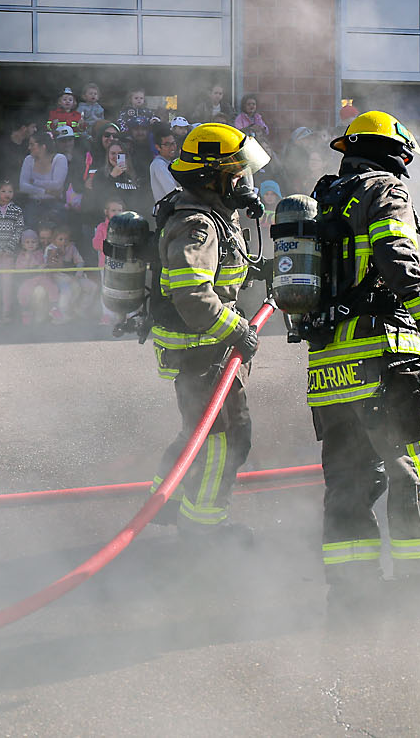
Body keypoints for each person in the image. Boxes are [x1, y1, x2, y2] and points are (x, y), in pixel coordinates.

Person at [304, 111, 420, 601]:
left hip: (328, 365)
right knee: (411, 466)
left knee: (348, 478)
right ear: (398, 155)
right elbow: (397, 257)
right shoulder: (385, 191)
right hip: (383, 353)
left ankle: (352, 587)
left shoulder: (320, 201)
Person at [148, 123, 268, 543]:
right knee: (225, 438)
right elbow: (194, 295)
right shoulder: (197, 224)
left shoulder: (212, 215)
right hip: (200, 352)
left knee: (197, 429)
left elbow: (217, 273)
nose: (242, 181)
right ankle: (205, 528)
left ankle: (168, 502)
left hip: (205, 351)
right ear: (211, 175)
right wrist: (238, 329)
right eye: (236, 173)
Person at [19, 130, 68, 222]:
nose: (29, 147)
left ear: (43, 146)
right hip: (33, 203)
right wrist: (45, 191)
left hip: (54, 204)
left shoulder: (59, 159)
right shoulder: (29, 159)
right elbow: (23, 186)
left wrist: (35, 182)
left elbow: (57, 184)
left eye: (32, 144)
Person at [0, 180, 22, 323]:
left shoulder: (17, 210)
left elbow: (19, 230)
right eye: (3, 191)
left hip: (9, 255)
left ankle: (6, 314)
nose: (7, 194)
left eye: (10, 191)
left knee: (7, 284)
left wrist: (9, 248)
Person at [149, 128, 178, 204]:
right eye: (167, 144)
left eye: (173, 143)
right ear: (157, 147)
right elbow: (173, 192)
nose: (172, 147)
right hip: (167, 212)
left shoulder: (170, 162)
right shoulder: (158, 164)